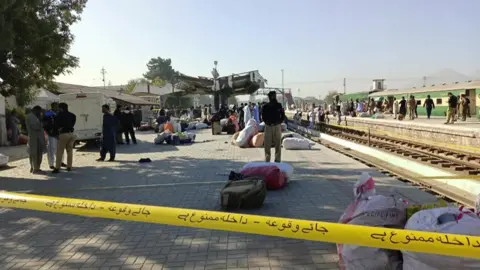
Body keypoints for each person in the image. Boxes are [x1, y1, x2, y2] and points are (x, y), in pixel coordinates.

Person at [261, 91, 286, 163]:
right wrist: (267, 122)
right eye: (271, 96)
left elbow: (283, 116)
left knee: (278, 143)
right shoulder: (265, 106)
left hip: (277, 126)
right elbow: (263, 117)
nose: (273, 97)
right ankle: (267, 160)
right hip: (268, 126)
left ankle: (277, 160)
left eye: (274, 96)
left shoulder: (279, 105)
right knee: (267, 144)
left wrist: (279, 122)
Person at [52, 103, 76, 173]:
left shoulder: (59, 115)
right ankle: (69, 166)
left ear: (61, 108)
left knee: (60, 151)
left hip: (63, 134)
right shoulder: (73, 115)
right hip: (71, 134)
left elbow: (56, 125)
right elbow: (72, 124)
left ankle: (57, 167)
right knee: (70, 151)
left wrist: (55, 133)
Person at [43, 102, 66, 169]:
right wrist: (49, 132)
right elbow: (45, 124)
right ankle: (51, 164)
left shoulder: (60, 113)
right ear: (52, 107)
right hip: (51, 134)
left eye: (57, 106)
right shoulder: (48, 113)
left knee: (61, 149)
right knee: (51, 149)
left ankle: (61, 162)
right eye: (55, 106)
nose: (56, 108)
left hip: (59, 134)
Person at [25, 106, 45, 174]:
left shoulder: (33, 116)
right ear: (36, 110)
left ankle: (33, 167)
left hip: (36, 137)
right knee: (35, 153)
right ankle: (36, 168)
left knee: (34, 153)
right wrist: (41, 122)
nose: (40, 113)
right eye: (39, 111)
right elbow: (36, 126)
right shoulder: (31, 116)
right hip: (35, 137)